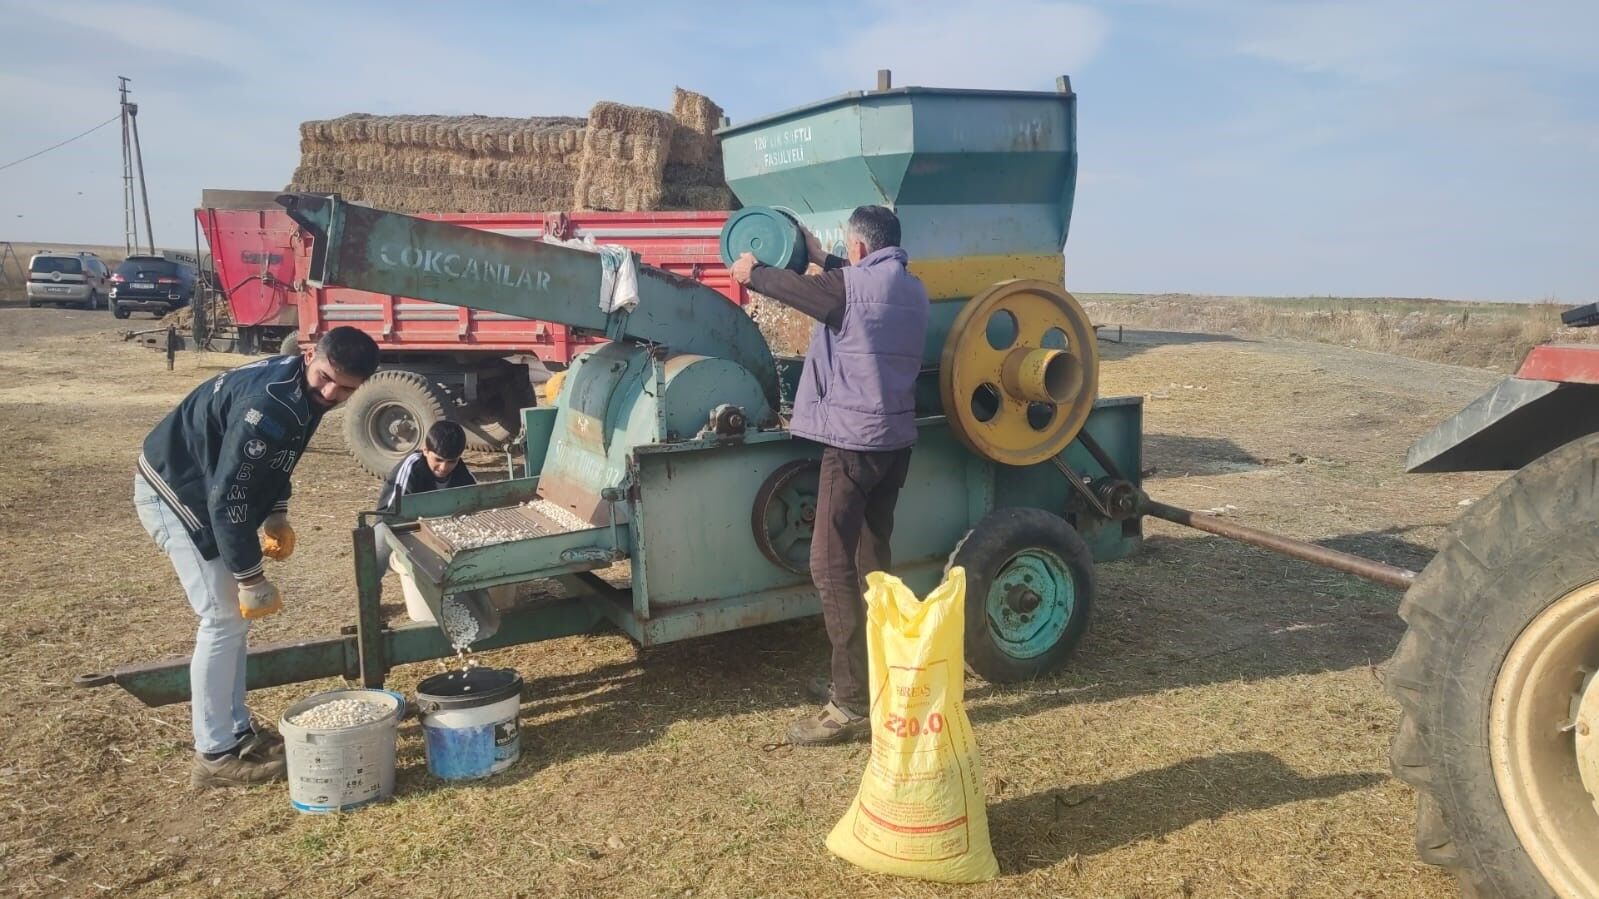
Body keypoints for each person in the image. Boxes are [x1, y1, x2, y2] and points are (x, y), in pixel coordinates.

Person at [134, 326, 380, 788]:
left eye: (346, 388)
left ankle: (238, 731)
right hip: (177, 493)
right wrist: (250, 577)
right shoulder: (268, 404)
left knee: (232, 622)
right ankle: (214, 754)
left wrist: (276, 514)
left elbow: (276, 460)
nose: (331, 392)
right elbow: (227, 499)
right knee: (222, 618)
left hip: (209, 489)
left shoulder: (301, 390)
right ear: (311, 353)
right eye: (326, 377)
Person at [730, 206, 930, 745]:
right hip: (895, 444)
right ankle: (879, 678)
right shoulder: (912, 287)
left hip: (852, 447)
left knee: (828, 564)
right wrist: (823, 256)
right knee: (873, 565)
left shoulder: (845, 290)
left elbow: (802, 293)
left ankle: (849, 705)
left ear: (860, 248)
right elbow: (858, 284)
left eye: (847, 248)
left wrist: (753, 274)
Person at [371, 420, 501, 641]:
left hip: (440, 528)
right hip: (399, 526)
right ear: (425, 451)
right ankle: (371, 598)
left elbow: (472, 505)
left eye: (451, 462)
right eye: (437, 460)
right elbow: (394, 513)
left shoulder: (461, 473)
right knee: (377, 539)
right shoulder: (412, 467)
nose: (443, 468)